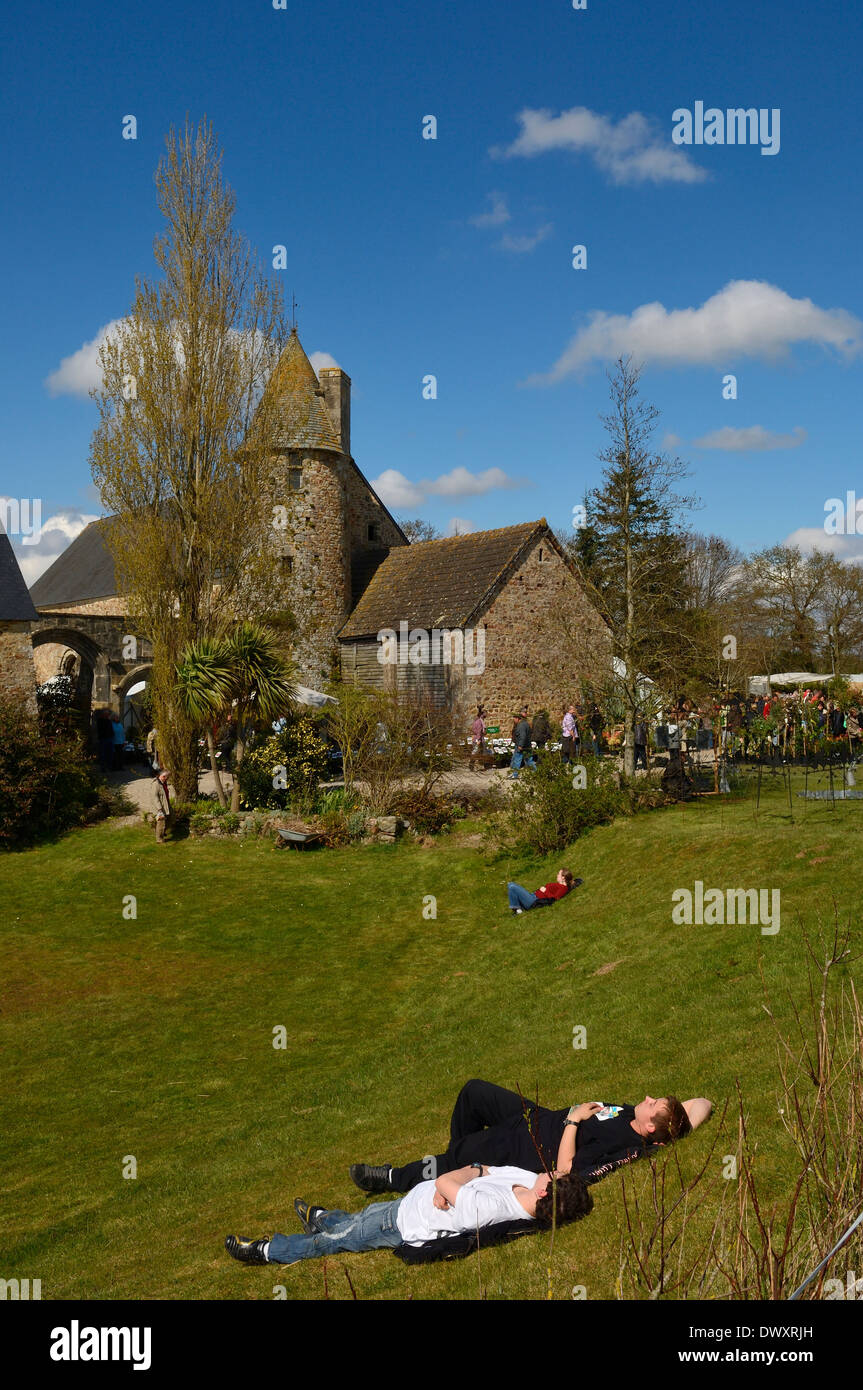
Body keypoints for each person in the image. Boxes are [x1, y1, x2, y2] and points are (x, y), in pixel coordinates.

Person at [349, 1078, 711, 1196]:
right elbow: (702, 1103)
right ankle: (461, 1165)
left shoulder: (625, 1145)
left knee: (460, 1155)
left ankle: (391, 1178)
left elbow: (567, 1170)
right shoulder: (639, 1120)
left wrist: (572, 1122)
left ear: (651, 1129)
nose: (647, 1099)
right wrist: (680, 1128)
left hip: (530, 1148)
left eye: (654, 1105)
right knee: (474, 1093)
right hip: (535, 1117)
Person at [225, 1162, 592, 1267]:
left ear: (546, 1191)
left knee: (330, 1244)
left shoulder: (492, 1210)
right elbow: (470, 1172)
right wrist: (461, 1180)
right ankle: (324, 1215)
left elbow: (450, 1178)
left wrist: (462, 1179)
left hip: (402, 1224)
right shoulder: (527, 1181)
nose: (548, 1168)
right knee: (355, 1221)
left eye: (553, 1174)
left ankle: (267, 1251)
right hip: (408, 1204)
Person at [507, 867, 579, 913]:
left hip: (533, 901)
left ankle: (517, 910)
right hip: (533, 896)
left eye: (558, 874)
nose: (557, 875)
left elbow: (555, 899)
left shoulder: (563, 888)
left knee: (512, 887)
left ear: (563, 877)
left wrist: (545, 891)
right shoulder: (560, 885)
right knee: (510, 884)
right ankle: (517, 908)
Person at [509, 708, 536, 779]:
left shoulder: (521, 725)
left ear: (518, 718)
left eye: (514, 718)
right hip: (527, 745)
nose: (513, 720)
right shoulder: (525, 724)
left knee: (517, 760)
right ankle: (536, 772)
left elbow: (523, 736)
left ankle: (515, 775)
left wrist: (520, 745)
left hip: (522, 746)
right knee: (529, 760)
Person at [151, 769, 171, 844]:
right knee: (161, 823)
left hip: (166, 804)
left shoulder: (164, 783)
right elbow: (154, 797)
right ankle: (159, 839)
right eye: (166, 777)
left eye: (167, 777)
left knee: (172, 818)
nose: (167, 778)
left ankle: (162, 831)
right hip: (159, 807)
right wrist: (159, 808)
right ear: (162, 776)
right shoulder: (155, 784)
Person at [94, 708, 114, 774]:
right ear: (103, 714)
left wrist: (111, 734)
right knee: (103, 754)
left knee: (109, 753)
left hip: (109, 738)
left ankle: (109, 766)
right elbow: (100, 730)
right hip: (103, 739)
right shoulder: (100, 721)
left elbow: (110, 729)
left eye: (108, 714)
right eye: (106, 714)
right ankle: (103, 767)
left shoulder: (108, 721)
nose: (108, 715)